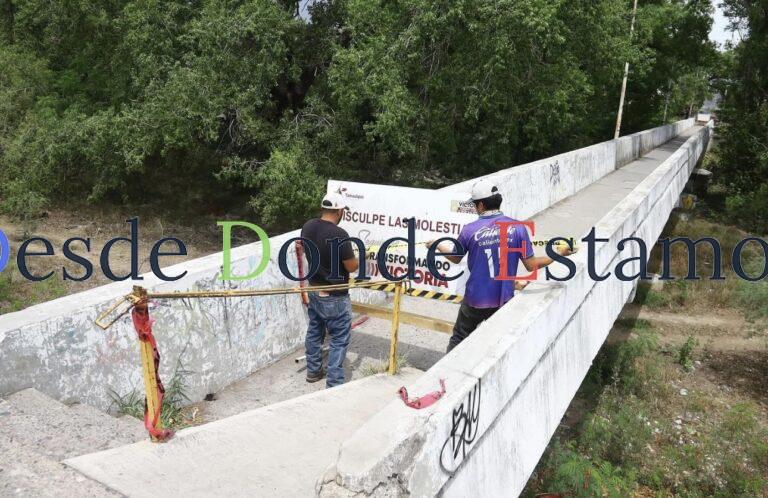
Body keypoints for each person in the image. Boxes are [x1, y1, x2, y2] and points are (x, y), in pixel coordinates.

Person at [428, 179, 575, 352]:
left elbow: (455, 257)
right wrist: (558, 254)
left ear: (481, 205)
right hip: (502, 300)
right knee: (498, 345)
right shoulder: (518, 228)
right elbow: (531, 265)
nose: (475, 208)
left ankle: (447, 376)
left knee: (459, 337)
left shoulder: (469, 230)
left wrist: (436, 244)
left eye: (475, 205)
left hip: (475, 300)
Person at [300, 192, 359, 387]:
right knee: (339, 338)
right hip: (335, 295)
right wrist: (362, 257)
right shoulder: (339, 234)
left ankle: (313, 371)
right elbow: (351, 266)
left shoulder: (307, 227)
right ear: (340, 211)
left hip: (314, 290)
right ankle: (334, 383)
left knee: (315, 331)